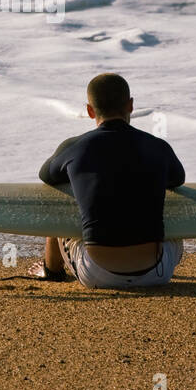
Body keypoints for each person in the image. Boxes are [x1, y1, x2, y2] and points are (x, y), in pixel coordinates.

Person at [33, 73, 185, 290]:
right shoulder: (158, 147)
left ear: (89, 110)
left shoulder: (74, 147)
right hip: (157, 272)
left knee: (60, 194)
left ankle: (52, 271)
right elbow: (178, 179)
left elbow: (46, 176)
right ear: (131, 105)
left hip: (96, 273)